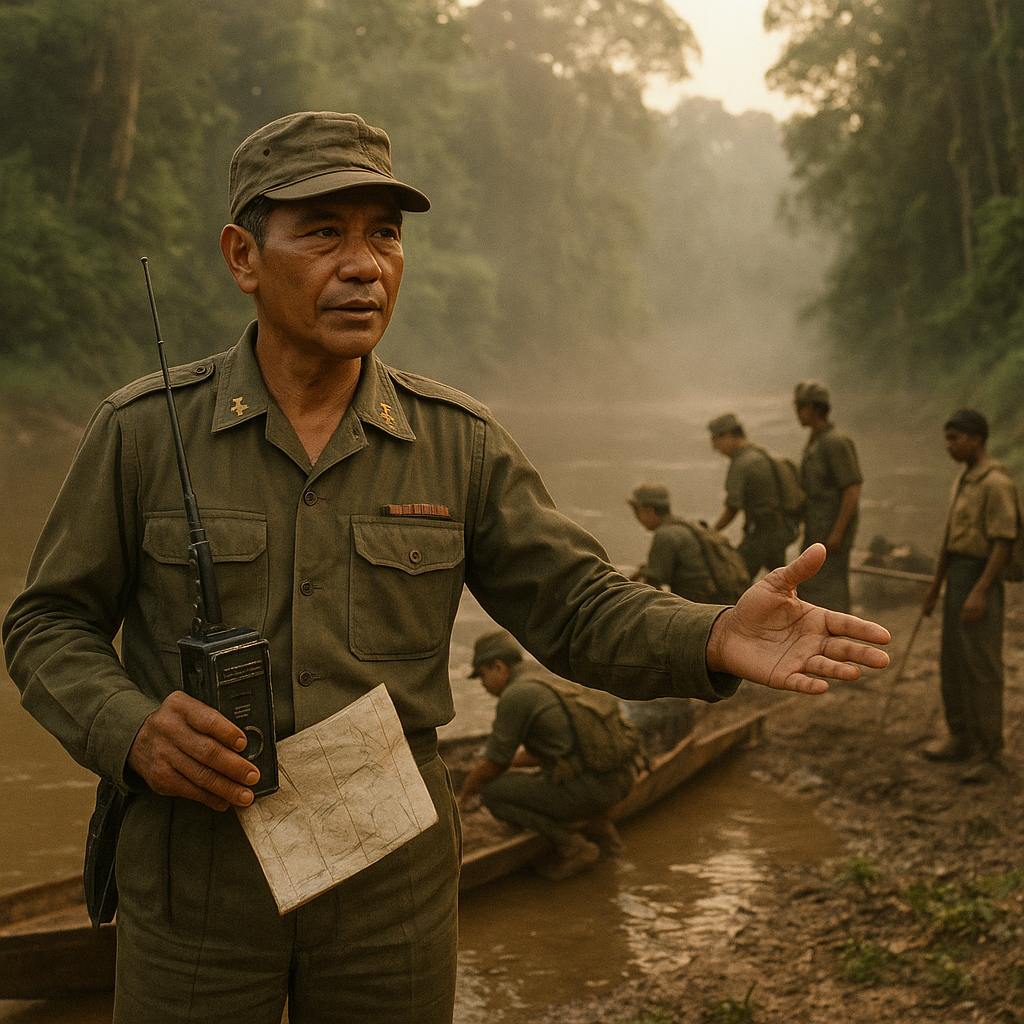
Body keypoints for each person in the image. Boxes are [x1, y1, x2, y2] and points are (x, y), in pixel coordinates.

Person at [2, 110, 890, 1024]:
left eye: (384, 234)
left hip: (392, 880)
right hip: (195, 871)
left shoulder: (455, 443)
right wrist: (132, 729)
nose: (365, 264)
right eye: (323, 233)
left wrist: (711, 633)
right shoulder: (144, 431)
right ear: (243, 256)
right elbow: (44, 625)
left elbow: (578, 607)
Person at [456, 630, 636, 880]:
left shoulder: (516, 694)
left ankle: (573, 847)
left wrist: (465, 795)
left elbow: (495, 763)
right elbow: (552, 751)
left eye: (483, 676)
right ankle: (602, 832)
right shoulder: (545, 675)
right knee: (549, 775)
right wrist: (510, 763)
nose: (483, 686)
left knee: (493, 793)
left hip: (593, 788)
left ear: (498, 666)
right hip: (620, 777)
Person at [921, 409, 1019, 784]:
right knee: (953, 661)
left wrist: (979, 592)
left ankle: (990, 751)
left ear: (977, 439)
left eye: (955, 438)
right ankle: (960, 737)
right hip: (957, 576)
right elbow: (949, 540)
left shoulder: (995, 483)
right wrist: (934, 587)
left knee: (982, 667)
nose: (949, 446)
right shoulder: (963, 480)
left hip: (981, 577)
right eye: (947, 439)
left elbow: (1003, 542)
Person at [793, 380, 863, 612]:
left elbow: (851, 489)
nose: (797, 413)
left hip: (830, 533)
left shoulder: (835, 442)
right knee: (811, 587)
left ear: (812, 408)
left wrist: (837, 533)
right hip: (817, 528)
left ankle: (838, 643)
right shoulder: (816, 441)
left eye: (799, 407)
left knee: (830, 594)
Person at [708, 412, 795, 579]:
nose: (715, 449)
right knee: (783, 581)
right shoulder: (759, 454)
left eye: (716, 441)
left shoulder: (741, 463)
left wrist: (712, 532)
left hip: (761, 535)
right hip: (781, 530)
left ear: (727, 435)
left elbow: (732, 508)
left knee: (736, 578)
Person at [628, 482, 737, 601]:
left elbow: (652, 584)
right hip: (721, 596)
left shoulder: (664, 534)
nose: (637, 518)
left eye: (637, 511)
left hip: (700, 602)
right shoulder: (685, 525)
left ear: (650, 510)